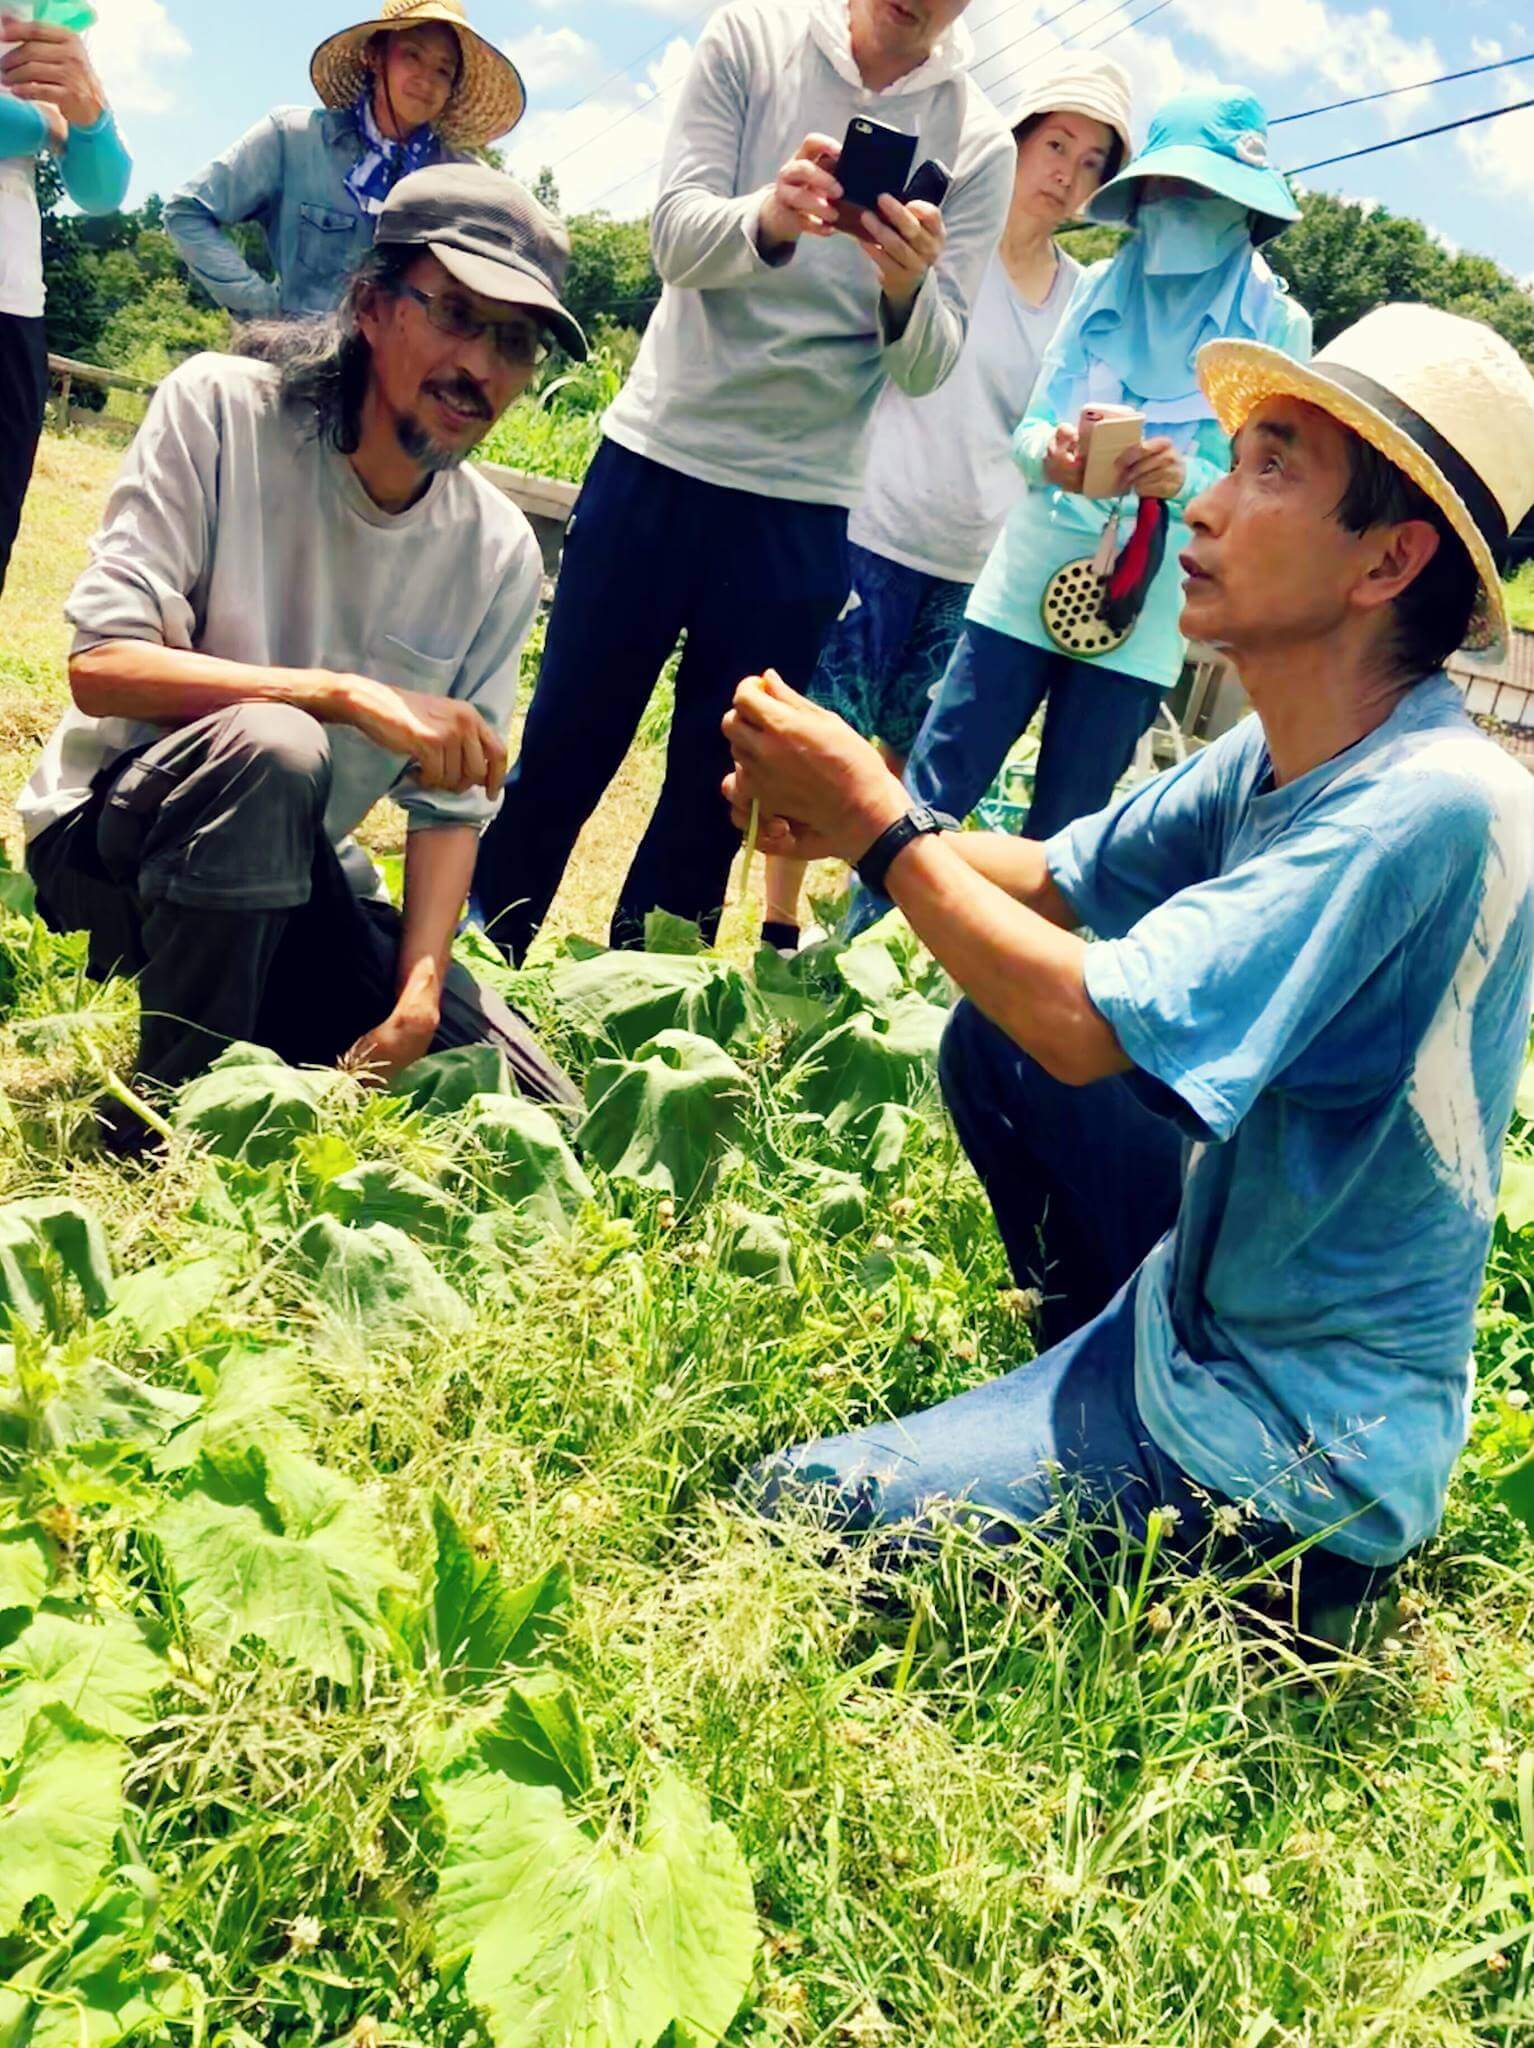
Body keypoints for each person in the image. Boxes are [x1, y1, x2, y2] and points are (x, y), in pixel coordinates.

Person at [723, 303, 1534, 1641]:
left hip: (1290, 1451)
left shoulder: (1426, 802)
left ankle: (1259, 1580)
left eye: (1270, 466)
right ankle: (1077, 1399)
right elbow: (1051, 875)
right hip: (1197, 1315)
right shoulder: (1297, 738)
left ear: (1386, 561)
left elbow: (1083, 1021)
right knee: (989, 1044)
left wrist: (877, 819)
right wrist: (844, 827)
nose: (1205, 508)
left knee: (788, 1518)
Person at [19, 164, 586, 1138]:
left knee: (532, 1099)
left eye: (515, 340)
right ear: (372, 305)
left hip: (294, 871)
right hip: (112, 838)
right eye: (454, 314)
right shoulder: (222, 410)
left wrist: (416, 997)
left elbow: (450, 806)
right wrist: (340, 694)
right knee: (280, 744)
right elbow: (102, 665)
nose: (480, 366)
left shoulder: (495, 549)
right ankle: (161, 1125)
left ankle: (267, 1025)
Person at [471, 0, 1016, 963]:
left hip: (804, 501)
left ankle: (638, 1019)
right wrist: (769, 215)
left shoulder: (978, 139)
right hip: (659, 453)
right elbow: (673, 238)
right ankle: (473, 966)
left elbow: (929, 365)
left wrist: (903, 285)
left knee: (717, 794)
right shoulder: (751, 37)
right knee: (564, 742)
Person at [848, 87, 1314, 936]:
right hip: (1024, 580)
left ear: (1246, 212)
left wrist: (1191, 479)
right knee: (935, 788)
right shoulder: (1096, 292)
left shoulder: (1277, 328)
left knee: (1066, 838)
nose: (1180, 213)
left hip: (1144, 610)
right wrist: (1053, 457)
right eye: (1167, 192)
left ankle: (994, 1025)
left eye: (1204, 198)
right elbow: (1030, 430)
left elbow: (1276, 485)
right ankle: (860, 961)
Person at [760, 53, 1134, 955]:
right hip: (877, 515)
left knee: (898, 758)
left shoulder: (1085, 301)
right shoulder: (941, 243)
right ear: (1015, 143)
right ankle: (776, 919)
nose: (1065, 174)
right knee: (825, 729)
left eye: (1091, 163)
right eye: (1054, 144)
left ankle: (857, 944)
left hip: (979, 555)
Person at [164, 0, 524, 320]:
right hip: (294, 375)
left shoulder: (465, 182)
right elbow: (186, 211)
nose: (426, 79)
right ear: (375, 55)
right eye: (412, 55)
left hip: (405, 386)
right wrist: (263, 310)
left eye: (443, 70)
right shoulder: (293, 138)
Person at [0, 2, 130, 594]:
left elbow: (103, 188)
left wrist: (90, 114)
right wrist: (47, 125)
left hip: (11, 311)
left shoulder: (50, 12)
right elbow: (47, 129)